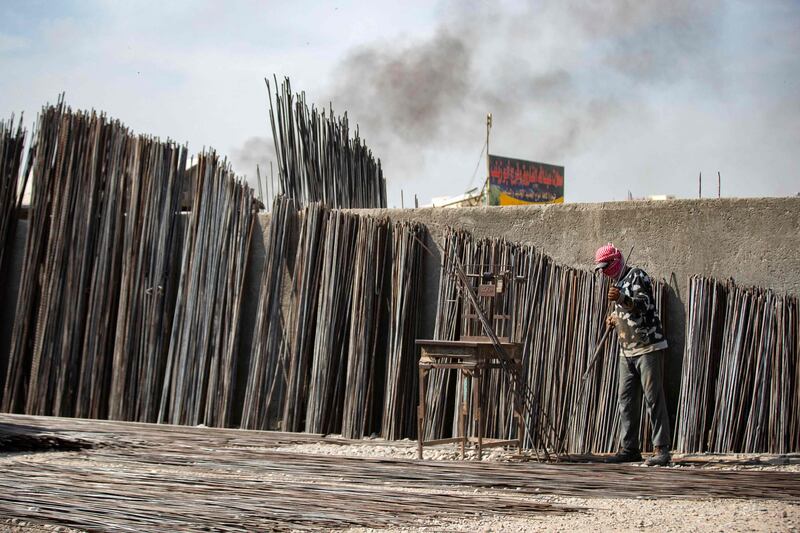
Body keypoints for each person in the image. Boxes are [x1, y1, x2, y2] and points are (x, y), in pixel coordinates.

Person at [593, 243, 672, 466]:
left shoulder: (637, 276)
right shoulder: (617, 282)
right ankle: (629, 448)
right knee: (625, 400)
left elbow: (642, 305)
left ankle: (661, 449)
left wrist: (621, 299)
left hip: (647, 346)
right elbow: (626, 313)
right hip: (626, 350)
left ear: (615, 261)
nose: (604, 272)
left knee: (653, 398)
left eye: (606, 266)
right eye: (601, 269)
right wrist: (614, 318)